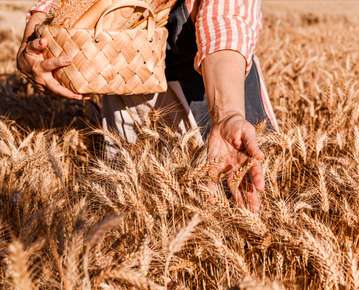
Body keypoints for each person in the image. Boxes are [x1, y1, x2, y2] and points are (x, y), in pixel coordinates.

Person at [17, 0, 279, 212]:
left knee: (240, 202)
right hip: (126, 82)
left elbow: (226, 21)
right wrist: (32, 46)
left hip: (215, 85)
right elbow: (62, 5)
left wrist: (227, 115)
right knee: (126, 208)